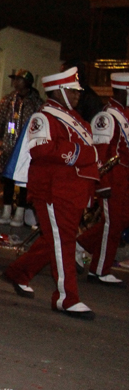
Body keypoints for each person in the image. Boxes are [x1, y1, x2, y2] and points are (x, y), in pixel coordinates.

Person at [1, 67, 99, 320]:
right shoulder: (43, 118)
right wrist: (84, 154)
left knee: (54, 240)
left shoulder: (78, 120)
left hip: (72, 191)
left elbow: (78, 153)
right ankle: (66, 298)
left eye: (77, 92)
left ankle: (18, 272)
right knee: (62, 241)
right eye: (72, 91)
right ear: (57, 91)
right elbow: (43, 150)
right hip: (54, 191)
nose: (77, 95)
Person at [76, 72, 129, 287]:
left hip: (124, 179)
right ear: (122, 90)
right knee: (113, 224)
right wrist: (103, 183)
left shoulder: (124, 114)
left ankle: (80, 245)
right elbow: (99, 153)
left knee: (119, 223)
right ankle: (99, 270)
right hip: (113, 178)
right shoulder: (107, 117)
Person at [0, 69, 44, 226]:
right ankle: (6, 211)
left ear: (27, 83)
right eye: (14, 79)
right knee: (8, 180)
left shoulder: (37, 102)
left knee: (24, 182)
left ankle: (20, 213)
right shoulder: (8, 100)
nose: (15, 83)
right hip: (8, 147)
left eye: (19, 79)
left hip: (26, 150)